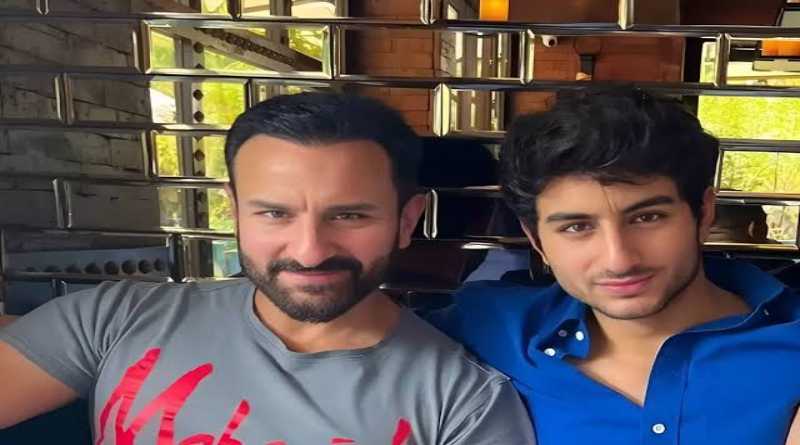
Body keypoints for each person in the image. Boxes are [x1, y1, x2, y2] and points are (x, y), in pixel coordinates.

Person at [0, 92, 535, 444]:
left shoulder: (463, 404)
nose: (310, 250)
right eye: (275, 213)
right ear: (234, 212)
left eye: (349, 215)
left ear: (406, 220)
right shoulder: (115, 319)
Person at [426, 88, 800, 445]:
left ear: (704, 213)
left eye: (648, 218)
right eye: (576, 227)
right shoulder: (485, 329)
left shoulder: (790, 345)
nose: (619, 259)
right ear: (537, 240)